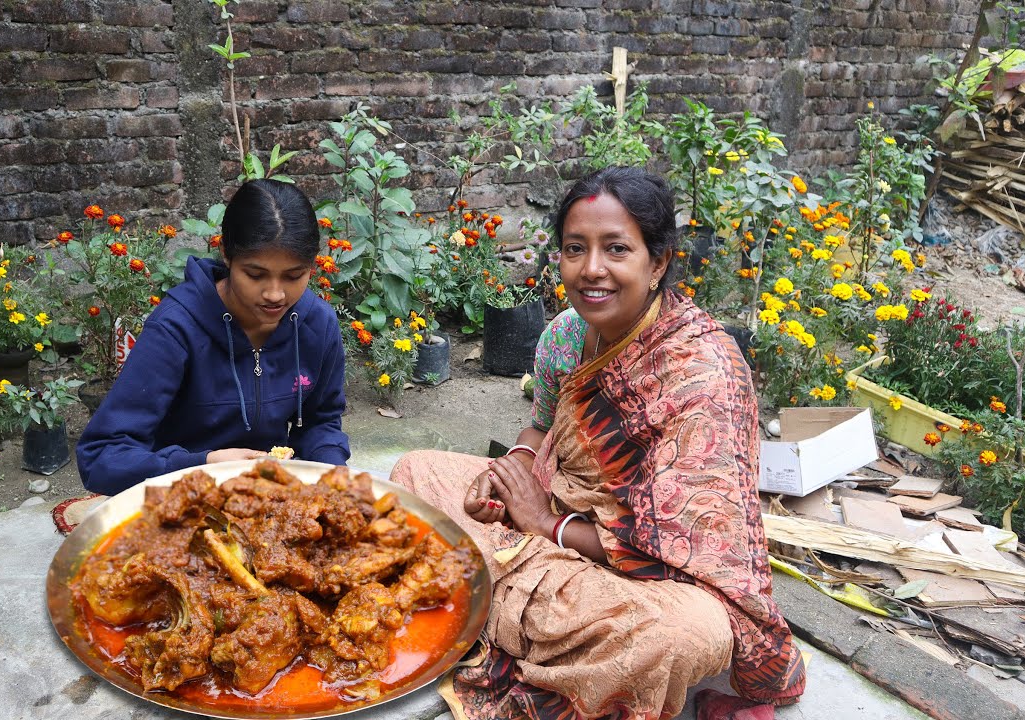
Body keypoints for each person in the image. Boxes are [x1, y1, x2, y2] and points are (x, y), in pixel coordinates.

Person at [391, 167, 805, 720]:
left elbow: (683, 552)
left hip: (648, 579)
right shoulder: (565, 334)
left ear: (657, 263)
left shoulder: (703, 372)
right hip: (555, 517)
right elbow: (540, 428)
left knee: (677, 639)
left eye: (616, 249)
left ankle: (486, 601)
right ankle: (519, 608)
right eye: (573, 248)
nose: (591, 270)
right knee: (415, 476)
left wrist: (545, 526)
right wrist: (510, 473)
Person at [77, 179, 351, 495]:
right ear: (226, 255)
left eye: (293, 276)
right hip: (182, 496)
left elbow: (320, 424)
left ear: (313, 265)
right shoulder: (176, 328)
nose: (275, 294)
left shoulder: (317, 324)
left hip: (268, 498)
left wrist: (334, 478)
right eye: (255, 274)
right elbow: (101, 457)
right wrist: (202, 465)